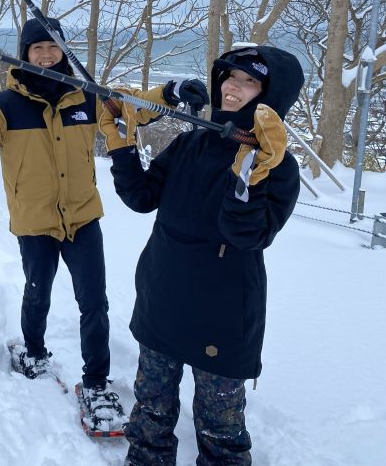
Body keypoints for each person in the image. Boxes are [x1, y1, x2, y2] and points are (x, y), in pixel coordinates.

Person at [0, 16, 208, 431]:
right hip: (35, 222)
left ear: (64, 52)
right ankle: (33, 350)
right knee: (37, 293)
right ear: (25, 54)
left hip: (82, 216)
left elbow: (132, 105)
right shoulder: (5, 105)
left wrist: (171, 93)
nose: (46, 55)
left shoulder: (87, 97)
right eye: (37, 49)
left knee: (94, 302)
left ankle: (97, 383)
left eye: (54, 48)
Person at [99, 45, 304, 464]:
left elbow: (247, 235)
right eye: (231, 76)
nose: (234, 88)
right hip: (163, 295)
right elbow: (141, 197)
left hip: (223, 312)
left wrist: (249, 176)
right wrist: (120, 147)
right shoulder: (191, 143)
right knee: (151, 411)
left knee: (221, 428)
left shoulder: (278, 166)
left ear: (271, 96)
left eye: (250, 82)